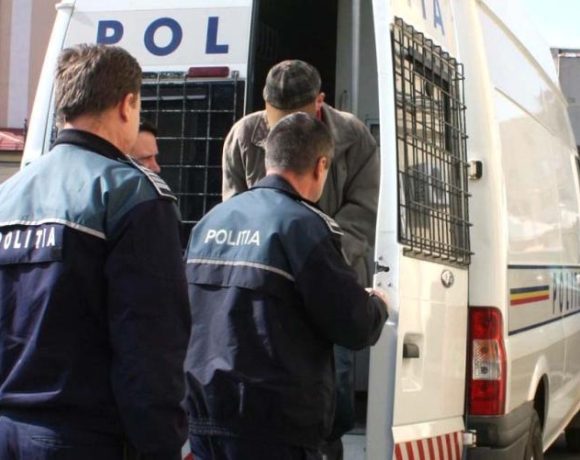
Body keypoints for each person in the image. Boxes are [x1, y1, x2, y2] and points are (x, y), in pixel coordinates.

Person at [0, 44, 190, 460]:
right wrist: (163, 445)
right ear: (127, 104)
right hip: (85, 438)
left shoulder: (8, 195)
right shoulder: (131, 194)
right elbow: (151, 348)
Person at [185, 112, 387, 460]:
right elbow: (354, 324)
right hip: (273, 426)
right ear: (321, 165)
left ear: (269, 159)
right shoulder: (304, 227)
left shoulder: (211, 222)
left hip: (204, 415)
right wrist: (378, 304)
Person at [222, 59, 380, 457]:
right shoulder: (243, 136)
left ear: (319, 102)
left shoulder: (354, 137)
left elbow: (364, 210)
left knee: (333, 394)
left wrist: (315, 252)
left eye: (297, 117)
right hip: (266, 284)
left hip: (333, 277)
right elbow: (236, 210)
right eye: (277, 120)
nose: (285, 130)